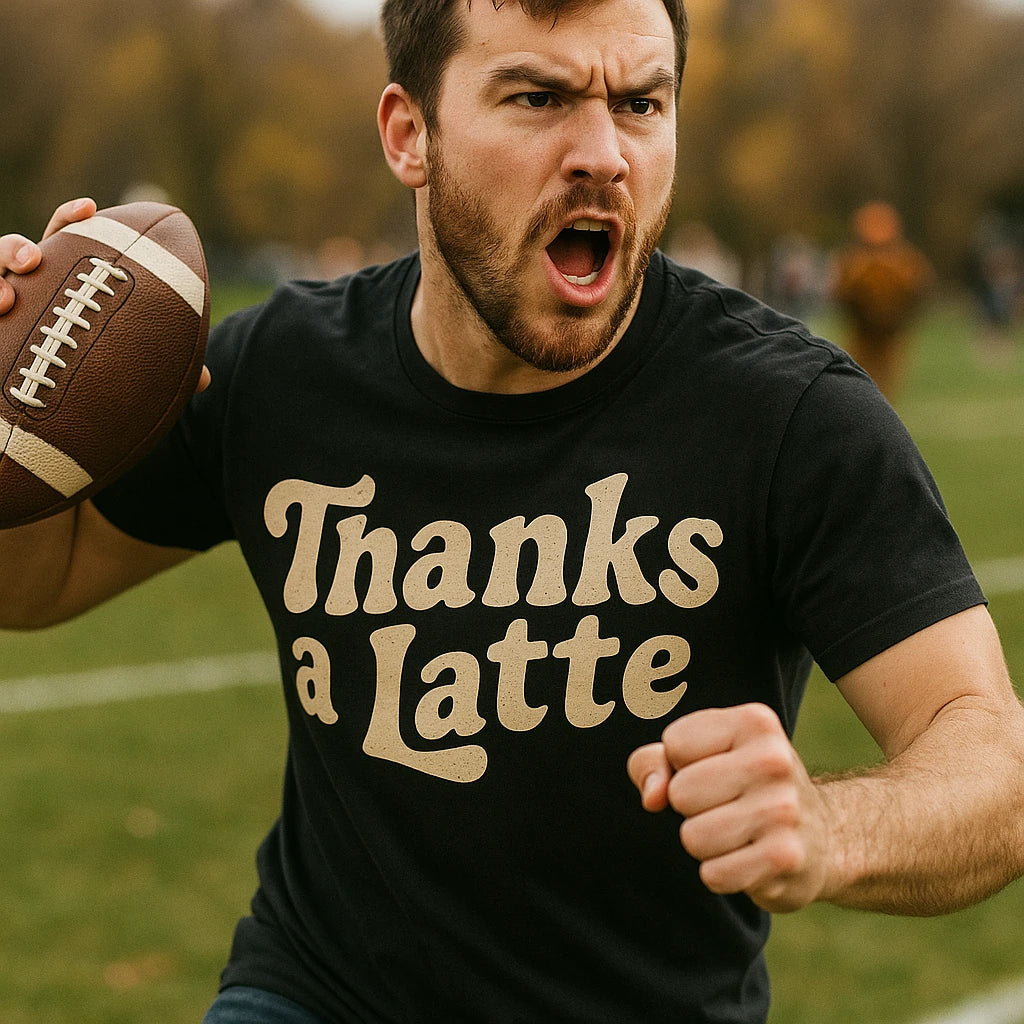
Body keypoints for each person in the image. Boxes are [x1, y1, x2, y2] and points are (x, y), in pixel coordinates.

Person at [1, 2, 1022, 1022]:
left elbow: (990, 762)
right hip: (316, 992)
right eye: (537, 97)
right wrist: (17, 418)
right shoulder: (279, 371)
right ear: (410, 134)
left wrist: (830, 826)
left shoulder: (788, 414)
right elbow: (36, 580)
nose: (601, 155)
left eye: (641, 102)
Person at [830, 201, 934, 400]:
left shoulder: (906, 261)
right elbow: (839, 295)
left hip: (892, 337)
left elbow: (921, 291)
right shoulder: (852, 261)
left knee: (885, 391)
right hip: (861, 335)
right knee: (857, 383)